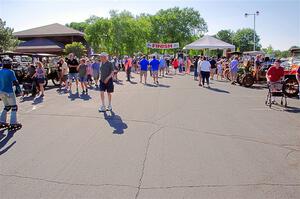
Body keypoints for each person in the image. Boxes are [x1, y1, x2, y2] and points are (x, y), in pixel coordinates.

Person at [0, 57, 22, 129]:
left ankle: (1, 121)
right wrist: (19, 90)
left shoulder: (0, 71)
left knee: (7, 106)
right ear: (10, 64)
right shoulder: (10, 72)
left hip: (1, 92)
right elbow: (15, 82)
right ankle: (13, 123)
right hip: (9, 91)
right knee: (14, 107)